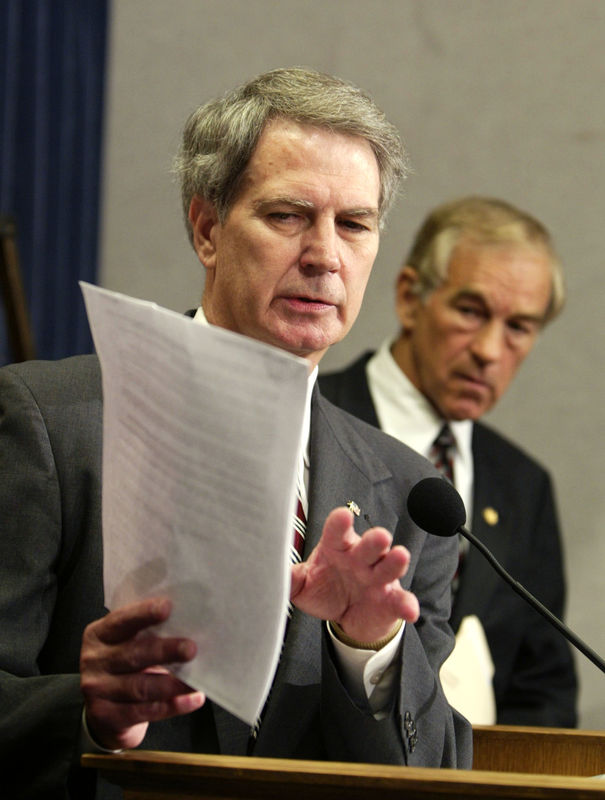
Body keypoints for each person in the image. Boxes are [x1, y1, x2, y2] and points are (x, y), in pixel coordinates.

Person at [0, 68, 472, 799]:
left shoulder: (411, 496)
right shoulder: (48, 424)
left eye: (353, 223)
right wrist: (84, 713)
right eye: (288, 215)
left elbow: (432, 772)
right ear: (207, 228)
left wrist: (370, 652)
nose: (324, 254)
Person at [319, 195, 578, 728]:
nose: (489, 349)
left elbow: (543, 691)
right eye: (470, 311)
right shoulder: (312, 419)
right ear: (410, 297)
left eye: (519, 327)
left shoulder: (522, 486)